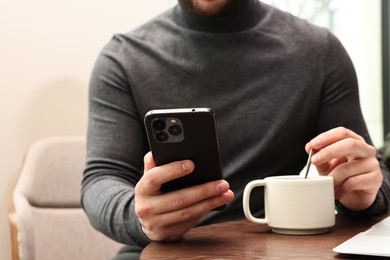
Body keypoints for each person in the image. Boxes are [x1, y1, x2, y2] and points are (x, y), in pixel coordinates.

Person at [81, 0, 390, 258]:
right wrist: (138, 217)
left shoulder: (319, 51)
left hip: (281, 249)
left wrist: (366, 194)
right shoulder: (122, 58)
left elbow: (370, 173)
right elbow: (101, 180)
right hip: (161, 250)